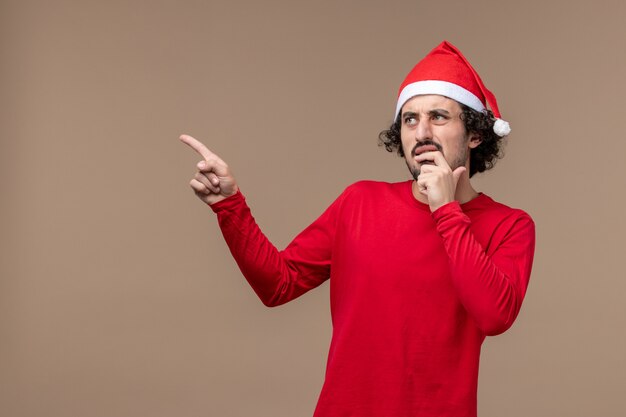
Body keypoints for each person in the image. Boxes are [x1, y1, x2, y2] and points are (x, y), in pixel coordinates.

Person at [180, 40, 535, 417]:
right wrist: (230, 207)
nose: (422, 132)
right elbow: (278, 284)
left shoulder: (509, 225)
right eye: (410, 119)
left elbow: (495, 316)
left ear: (475, 134)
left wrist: (446, 209)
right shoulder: (360, 203)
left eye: (439, 117)